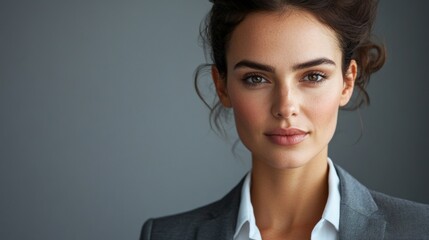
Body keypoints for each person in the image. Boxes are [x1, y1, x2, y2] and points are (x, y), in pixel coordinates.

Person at [140, 0, 429, 239]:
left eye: (313, 76)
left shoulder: (419, 229)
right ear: (222, 86)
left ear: (347, 82)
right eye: (256, 78)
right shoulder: (164, 235)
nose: (285, 106)